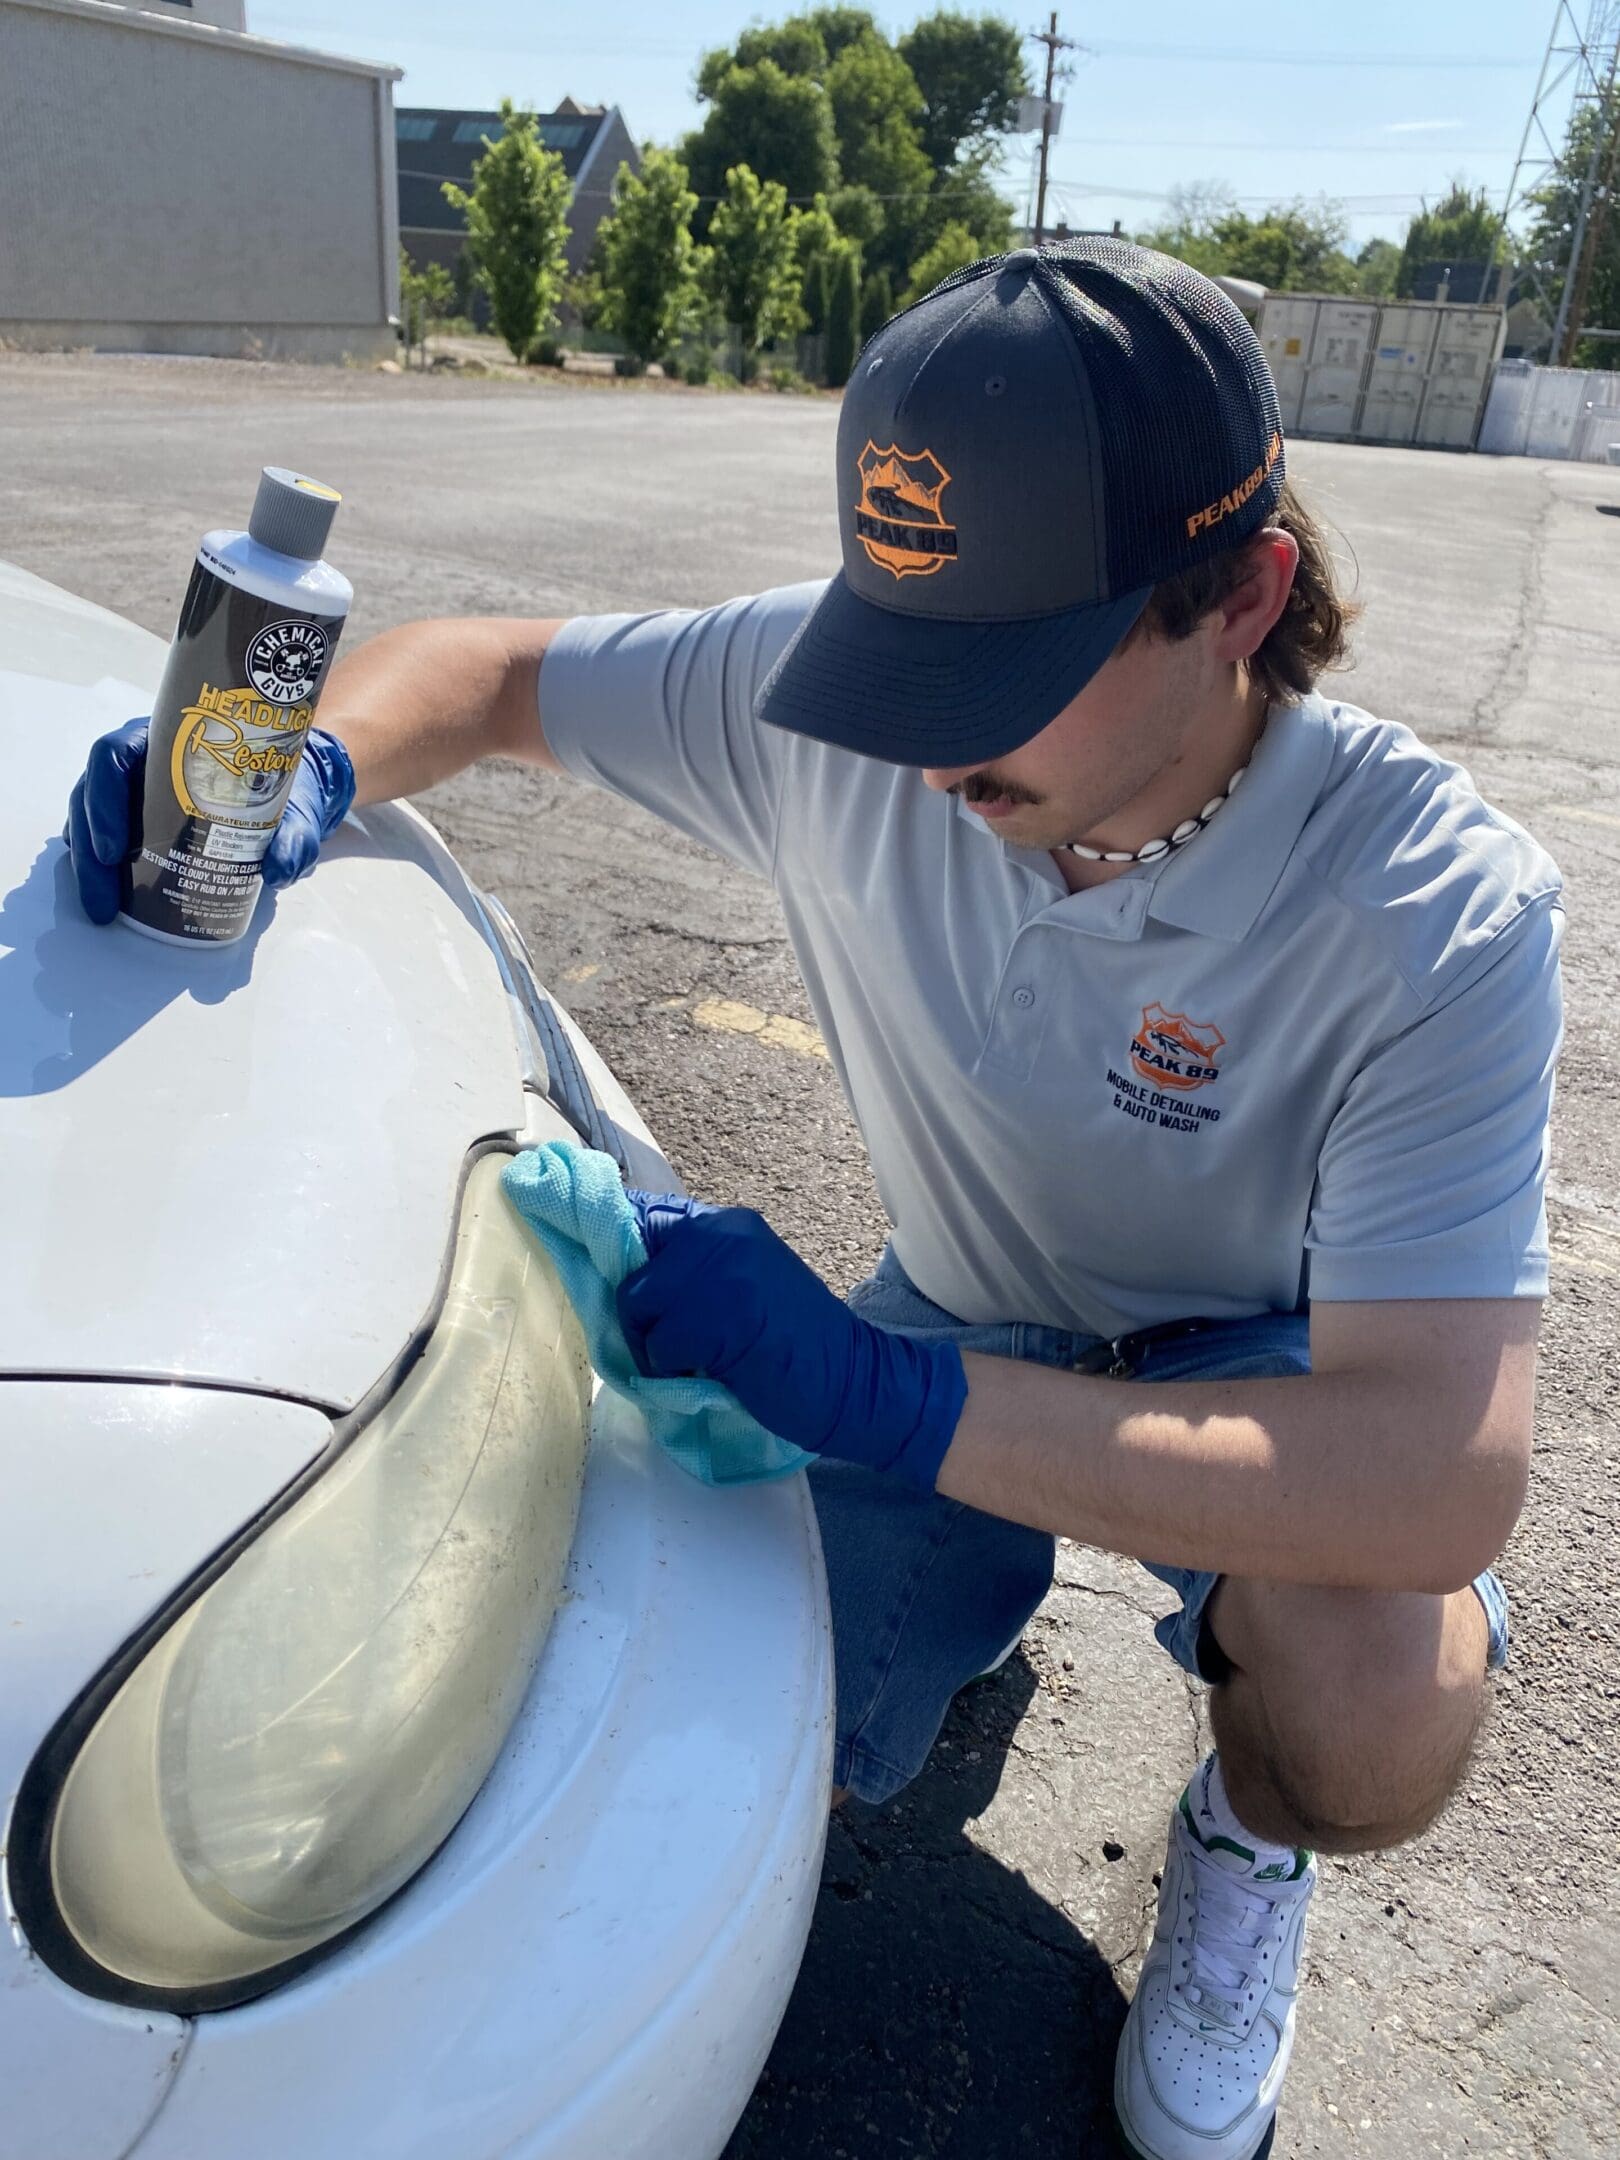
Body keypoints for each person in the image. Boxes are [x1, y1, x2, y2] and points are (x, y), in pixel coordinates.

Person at [66, 241, 1562, 2160]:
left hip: (1249, 1357)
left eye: (1002, 678)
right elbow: (496, 674)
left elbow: (1437, 1471)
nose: (929, 748)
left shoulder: (1437, 912)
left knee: (1372, 1712)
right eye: (902, 656)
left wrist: (892, 1406)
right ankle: (993, 1548)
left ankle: (1245, 1843)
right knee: (696, 1735)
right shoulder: (849, 711)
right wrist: (300, 759)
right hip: (966, 1301)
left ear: (1242, 599)